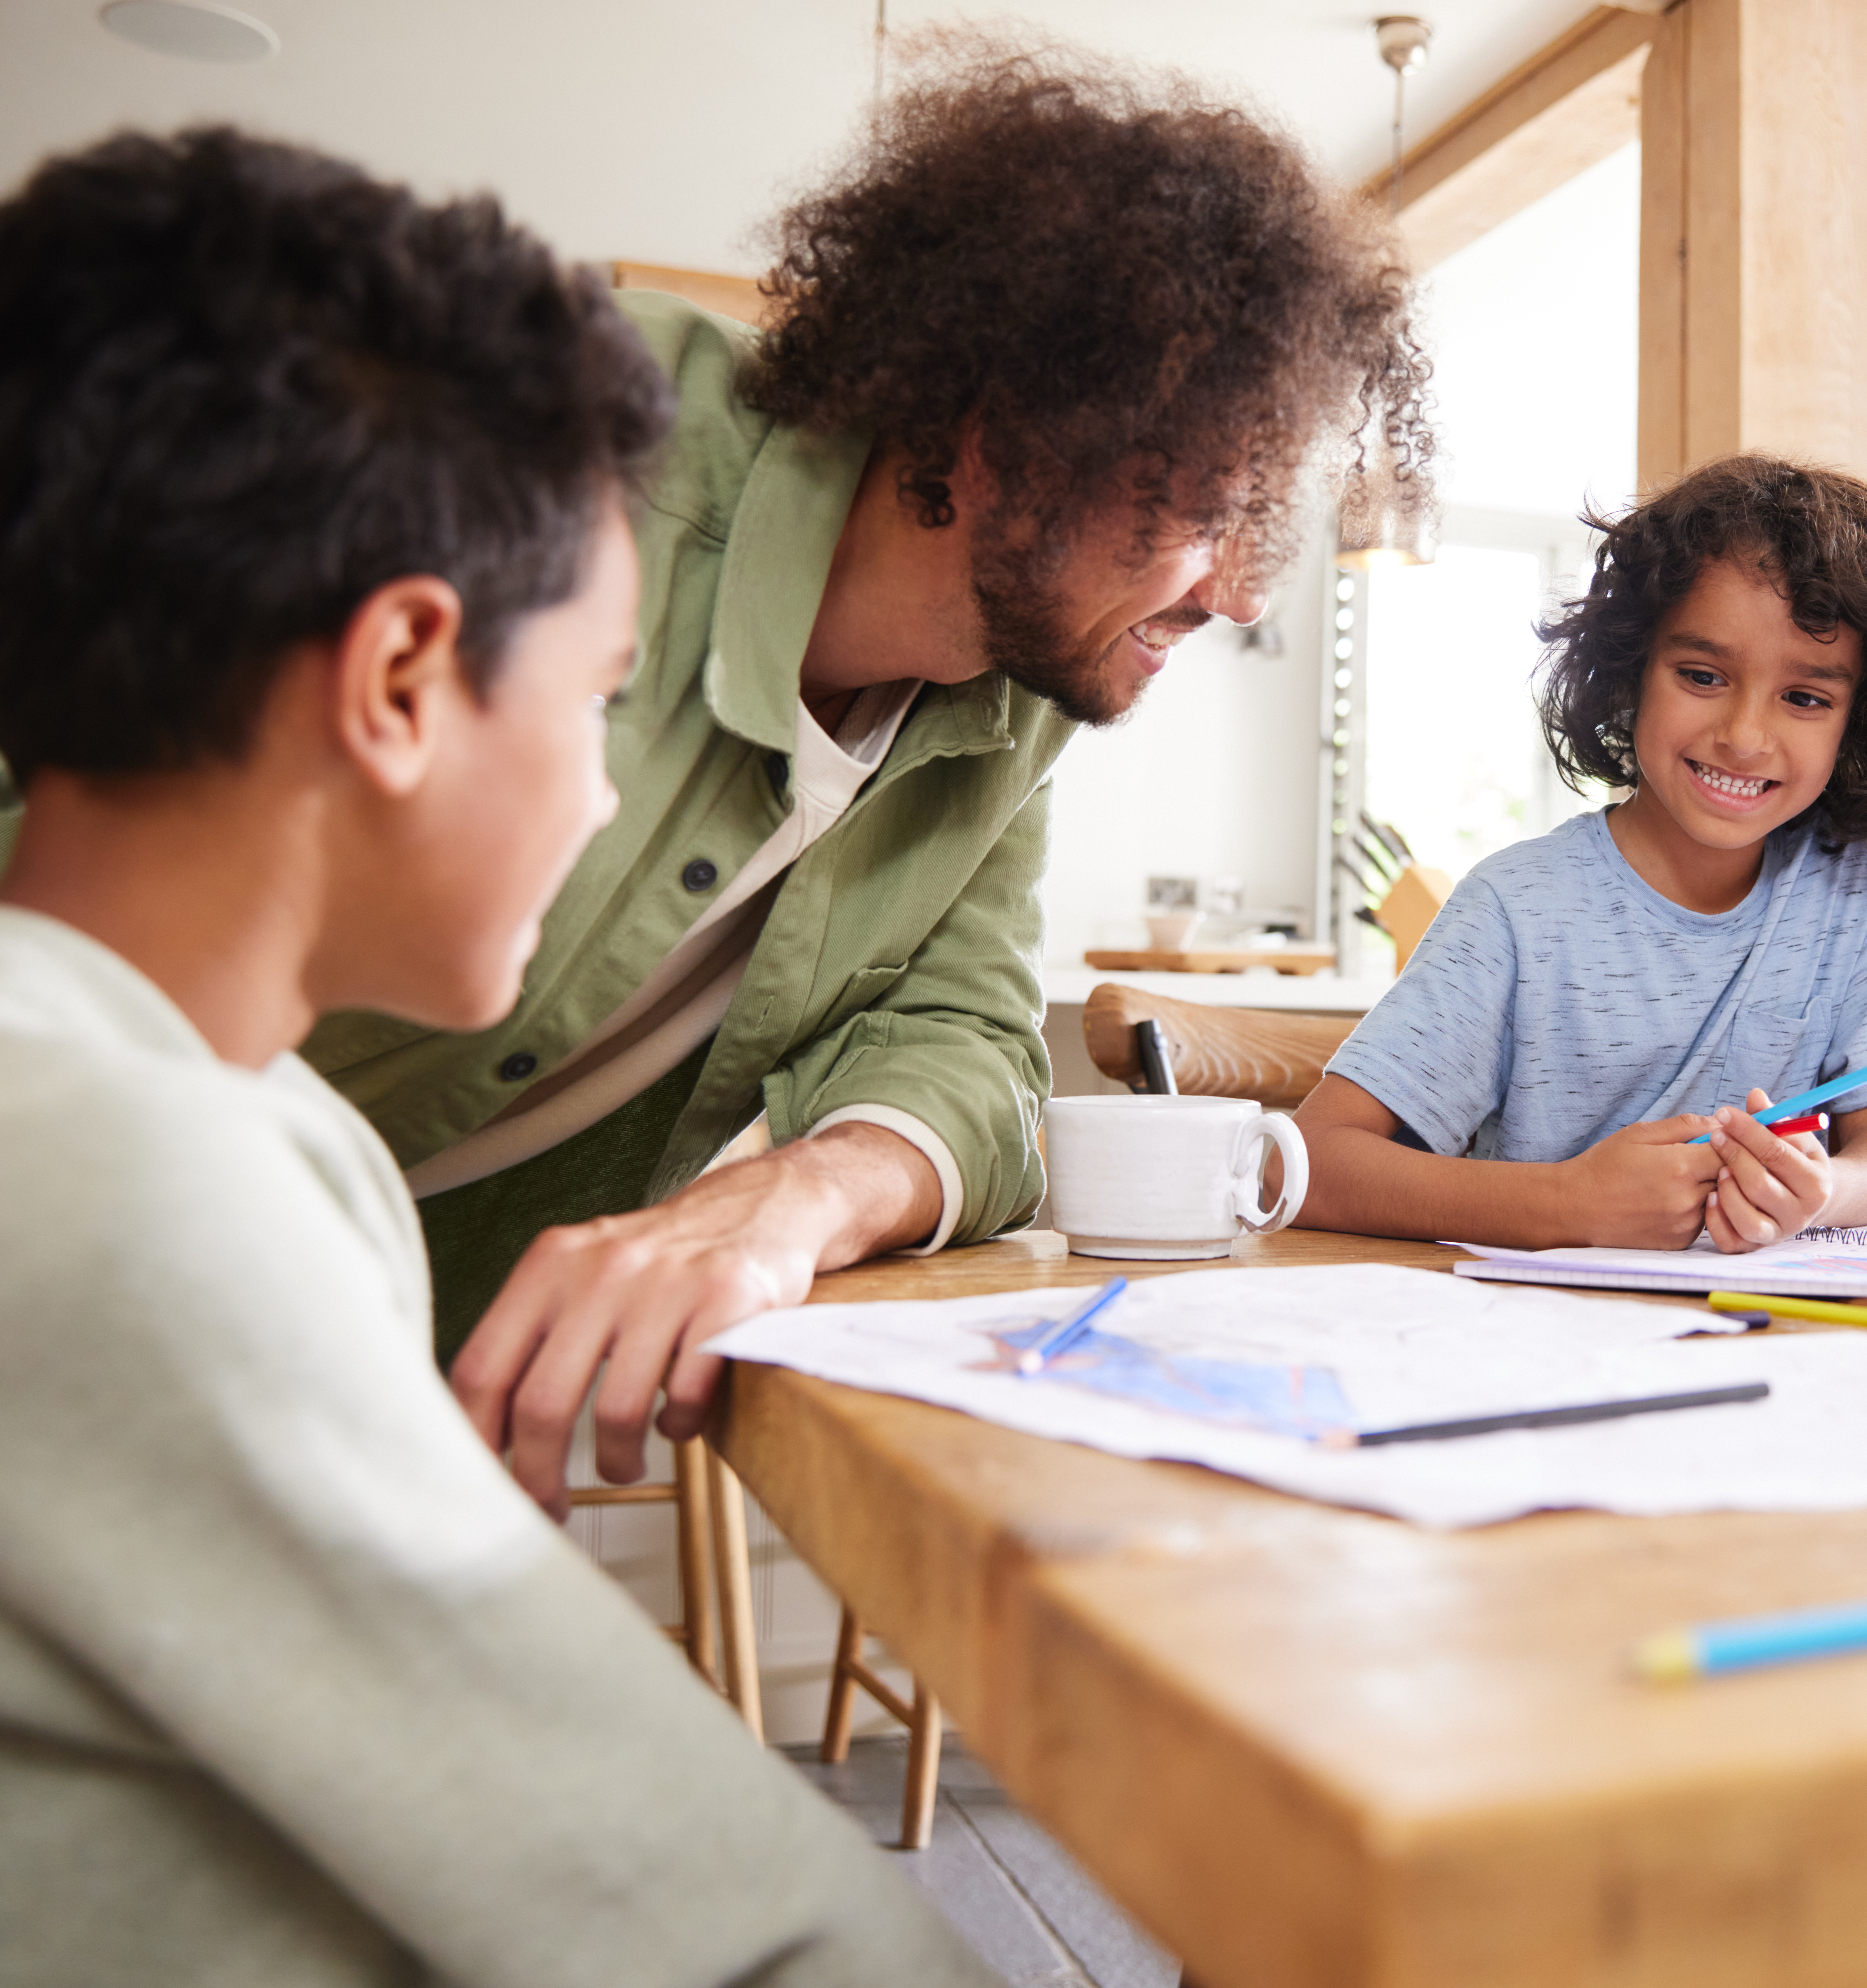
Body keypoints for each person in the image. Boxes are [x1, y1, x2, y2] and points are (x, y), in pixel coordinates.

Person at [0, 128, 999, 1984]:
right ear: (398, 682)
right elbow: (749, 1930)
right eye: (597, 691)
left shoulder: (200, 1103)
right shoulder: (124, 1183)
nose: (610, 785)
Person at [301, 39, 1431, 1513]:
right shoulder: (570, 449)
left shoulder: (1023, 693)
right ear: (1003, 435)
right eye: (1207, 508)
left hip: (432, 1362)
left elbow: (967, 1039)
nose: (1235, 601)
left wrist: (800, 1190)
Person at [1295, 456, 1867, 1250]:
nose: (1744, 735)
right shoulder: (1516, 908)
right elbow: (1310, 1160)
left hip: (1774, 1337)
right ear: (1630, 674)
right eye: (1701, 674)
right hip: (1537, 1343)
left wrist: (1825, 1188)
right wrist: (1562, 1204)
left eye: (1804, 697)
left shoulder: (1854, 885)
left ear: (1853, 720)